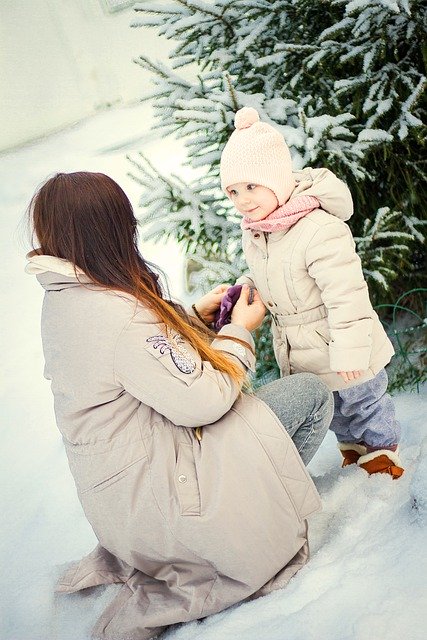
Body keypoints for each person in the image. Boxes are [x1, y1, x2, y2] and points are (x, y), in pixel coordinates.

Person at [26, 171, 333, 640]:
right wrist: (239, 331)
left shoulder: (67, 299)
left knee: (256, 417)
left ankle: (258, 493)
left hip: (123, 510)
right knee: (309, 395)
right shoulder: (119, 314)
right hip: (168, 513)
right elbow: (204, 401)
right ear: (111, 231)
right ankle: (262, 512)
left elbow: (131, 365)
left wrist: (189, 320)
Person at [219, 107, 403, 479]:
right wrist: (247, 289)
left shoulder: (318, 228)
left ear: (277, 180)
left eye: (252, 186)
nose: (242, 200)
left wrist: (351, 349)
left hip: (341, 338)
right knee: (334, 408)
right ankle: (354, 450)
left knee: (363, 401)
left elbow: (347, 294)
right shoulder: (258, 230)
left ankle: (383, 452)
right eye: (233, 191)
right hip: (299, 343)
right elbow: (270, 273)